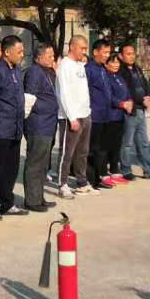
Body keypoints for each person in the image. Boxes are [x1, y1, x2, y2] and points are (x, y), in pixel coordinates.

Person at [0, 35, 27, 219]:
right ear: (7, 52)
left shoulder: (16, 70)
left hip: (15, 129)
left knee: (11, 170)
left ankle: (7, 203)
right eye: (19, 51)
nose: (22, 55)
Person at [54, 34, 94, 199]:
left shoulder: (79, 65)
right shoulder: (65, 66)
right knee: (67, 153)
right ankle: (62, 184)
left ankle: (82, 182)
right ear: (72, 47)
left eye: (86, 49)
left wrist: (87, 112)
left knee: (82, 152)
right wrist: (72, 117)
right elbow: (63, 94)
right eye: (82, 48)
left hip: (85, 115)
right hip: (71, 117)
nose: (84, 52)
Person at [22, 44, 60, 210]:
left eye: (53, 56)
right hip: (38, 124)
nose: (53, 59)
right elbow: (29, 98)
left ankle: (38, 196)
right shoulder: (34, 72)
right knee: (35, 163)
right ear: (39, 57)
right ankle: (32, 201)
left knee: (43, 164)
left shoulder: (47, 72)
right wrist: (45, 108)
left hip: (48, 123)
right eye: (49, 56)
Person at [118, 43, 150, 180]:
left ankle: (149, 170)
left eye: (133, 53)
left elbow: (145, 84)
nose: (132, 56)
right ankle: (126, 170)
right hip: (130, 111)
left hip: (140, 110)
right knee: (127, 143)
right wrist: (140, 100)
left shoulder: (136, 68)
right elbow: (126, 91)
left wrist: (148, 96)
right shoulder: (120, 71)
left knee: (143, 142)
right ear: (121, 55)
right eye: (128, 54)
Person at [86, 39, 124, 189]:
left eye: (109, 52)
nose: (107, 55)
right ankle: (91, 180)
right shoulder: (88, 69)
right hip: (95, 115)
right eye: (105, 52)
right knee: (92, 150)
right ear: (96, 52)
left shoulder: (102, 69)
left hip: (105, 115)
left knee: (102, 150)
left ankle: (100, 176)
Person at [103, 52, 131, 182]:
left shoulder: (119, 77)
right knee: (107, 145)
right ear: (106, 64)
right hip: (110, 116)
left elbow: (127, 92)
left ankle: (115, 169)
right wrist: (121, 104)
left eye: (117, 62)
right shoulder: (105, 77)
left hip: (121, 115)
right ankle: (103, 171)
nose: (116, 65)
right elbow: (109, 96)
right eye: (112, 62)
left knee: (117, 144)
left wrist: (129, 102)